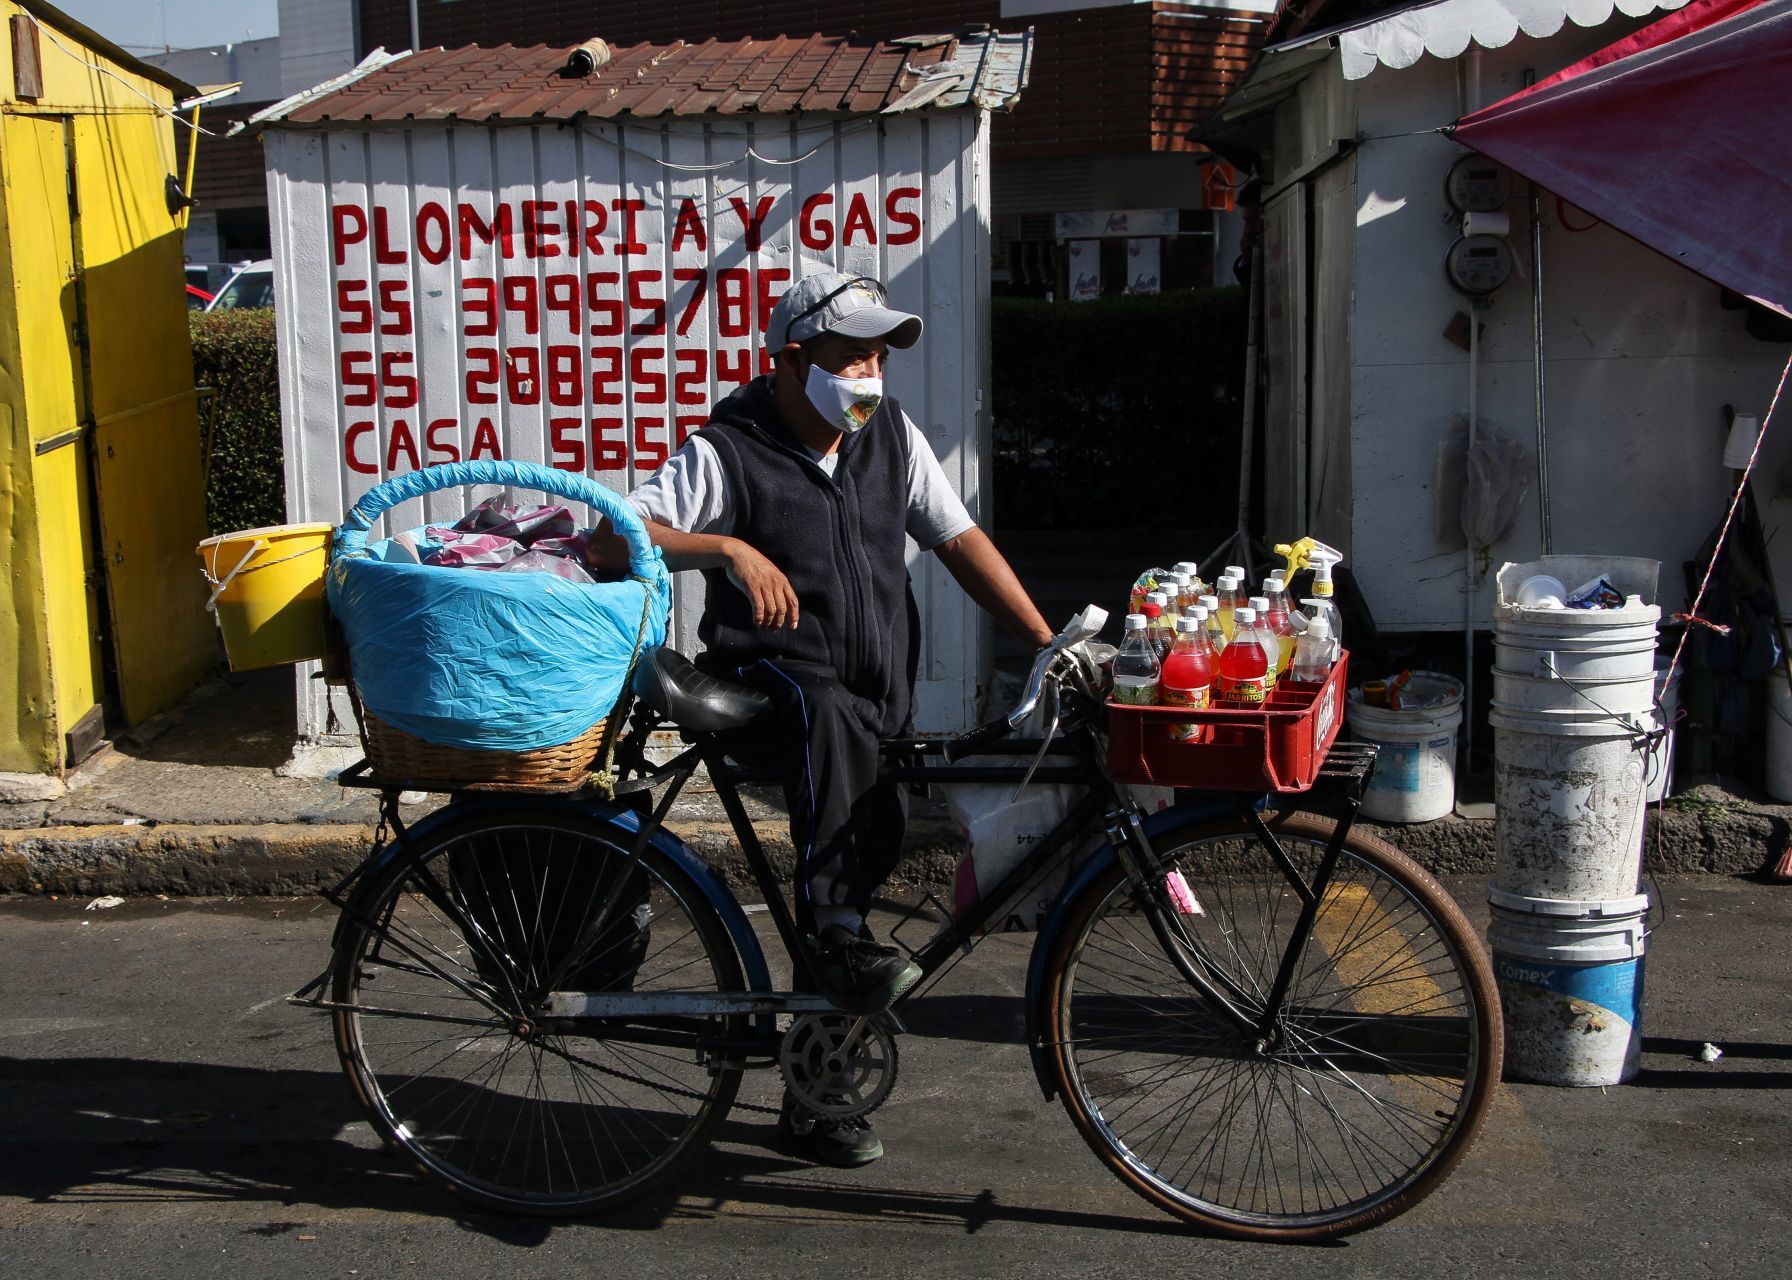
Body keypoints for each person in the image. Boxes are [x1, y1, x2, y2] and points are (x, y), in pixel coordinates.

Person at [621, 271, 1054, 1166]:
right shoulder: (728, 448)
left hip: (871, 704)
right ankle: (834, 943)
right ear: (789, 360)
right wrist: (729, 548)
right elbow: (626, 531)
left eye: (881, 355)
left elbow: (959, 540)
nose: (872, 373)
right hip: (772, 695)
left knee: (868, 850)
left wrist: (1048, 643)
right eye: (851, 354)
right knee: (838, 900)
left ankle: (816, 1094)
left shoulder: (889, 436)